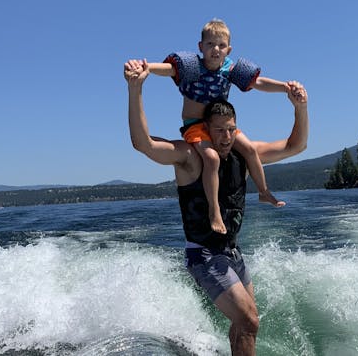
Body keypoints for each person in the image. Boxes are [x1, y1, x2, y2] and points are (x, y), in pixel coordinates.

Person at [124, 58, 308, 355]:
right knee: (249, 320)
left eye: (231, 130)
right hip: (204, 254)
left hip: (232, 252)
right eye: (219, 130)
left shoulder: (246, 156)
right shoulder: (190, 157)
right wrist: (136, 90)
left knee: (244, 325)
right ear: (206, 130)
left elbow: (295, 146)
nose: (225, 137)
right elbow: (143, 143)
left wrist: (300, 107)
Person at [130, 19, 291, 236]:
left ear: (228, 49)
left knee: (250, 149)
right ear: (201, 47)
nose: (215, 49)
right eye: (210, 44)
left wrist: (285, 88)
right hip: (195, 127)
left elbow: (258, 83)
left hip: (220, 126)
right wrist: (146, 67)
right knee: (212, 159)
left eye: (221, 45)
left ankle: (263, 192)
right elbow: (167, 69)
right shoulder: (191, 66)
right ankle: (214, 212)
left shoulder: (230, 70)